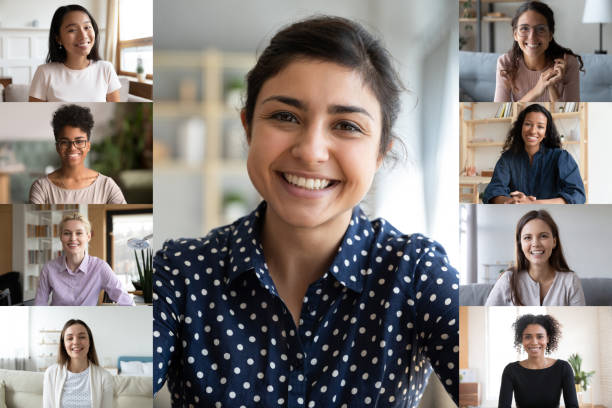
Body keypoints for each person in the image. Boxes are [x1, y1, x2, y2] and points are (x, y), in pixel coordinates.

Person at [153, 16, 458, 407]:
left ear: (381, 152)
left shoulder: (417, 272)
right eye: (285, 117)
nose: (311, 151)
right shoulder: (181, 273)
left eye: (346, 125)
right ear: (248, 128)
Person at [482, 103, 585, 204]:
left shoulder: (561, 157)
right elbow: (493, 191)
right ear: (521, 127)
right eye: (528, 124)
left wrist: (533, 203)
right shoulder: (507, 158)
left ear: (546, 133)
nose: (533, 131)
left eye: (540, 127)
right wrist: (511, 201)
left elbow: (577, 195)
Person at [29, 104, 127, 204]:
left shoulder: (106, 185)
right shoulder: (41, 188)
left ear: (88, 146)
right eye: (65, 142)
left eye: (79, 141)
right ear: (57, 147)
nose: (72, 148)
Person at [485, 210, 585, 306]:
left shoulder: (571, 281)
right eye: (528, 237)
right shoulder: (507, 280)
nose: (535, 244)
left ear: (554, 241)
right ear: (520, 244)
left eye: (543, 236)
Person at [34, 212, 134, 306]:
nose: (73, 238)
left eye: (79, 233)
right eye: (67, 233)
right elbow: (39, 305)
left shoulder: (100, 267)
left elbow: (127, 303)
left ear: (88, 236)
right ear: (61, 237)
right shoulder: (49, 268)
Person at [494, 1, 584, 102]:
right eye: (524, 28)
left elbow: (570, 114)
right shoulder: (505, 62)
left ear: (550, 35)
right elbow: (501, 111)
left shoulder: (568, 62)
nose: (532, 38)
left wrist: (551, 86)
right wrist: (537, 90)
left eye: (540, 29)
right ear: (515, 34)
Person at [29, 4, 121, 102]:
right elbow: (34, 115)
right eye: (72, 30)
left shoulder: (106, 69)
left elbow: (118, 115)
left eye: (87, 27)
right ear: (58, 38)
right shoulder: (44, 73)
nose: (83, 35)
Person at [498, 314, 578, 408]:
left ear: (547, 338)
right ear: (521, 339)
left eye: (540, 336)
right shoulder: (511, 370)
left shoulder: (563, 368)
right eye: (528, 337)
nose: (534, 342)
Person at [43, 319, 113, 408]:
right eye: (70, 338)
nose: (76, 342)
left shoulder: (105, 377)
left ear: (90, 342)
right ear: (64, 344)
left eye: (82, 337)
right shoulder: (51, 373)